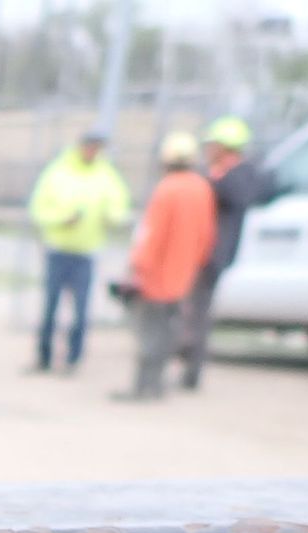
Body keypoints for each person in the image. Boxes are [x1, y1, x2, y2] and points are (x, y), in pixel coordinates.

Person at [115, 132, 216, 402]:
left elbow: (152, 234)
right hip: (183, 276)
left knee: (149, 333)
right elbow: (206, 235)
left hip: (156, 277)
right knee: (169, 331)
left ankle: (142, 387)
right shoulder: (202, 188)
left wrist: (137, 266)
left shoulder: (167, 189)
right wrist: (194, 264)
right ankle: (158, 385)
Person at [26, 130, 131, 374]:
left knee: (81, 310)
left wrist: (111, 217)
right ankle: (43, 357)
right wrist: (62, 219)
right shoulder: (58, 172)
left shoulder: (107, 176)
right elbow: (39, 209)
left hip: (86, 252)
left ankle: (73, 359)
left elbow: (119, 209)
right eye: (90, 146)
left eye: (97, 147)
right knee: (50, 307)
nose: (93, 151)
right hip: (58, 250)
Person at [179, 116, 267, 390]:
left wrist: (210, 181)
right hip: (204, 253)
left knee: (197, 312)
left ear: (226, 147)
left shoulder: (236, 177)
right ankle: (187, 363)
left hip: (211, 256)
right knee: (192, 310)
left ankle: (191, 369)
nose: (208, 149)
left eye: (213, 144)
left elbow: (235, 195)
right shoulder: (223, 174)